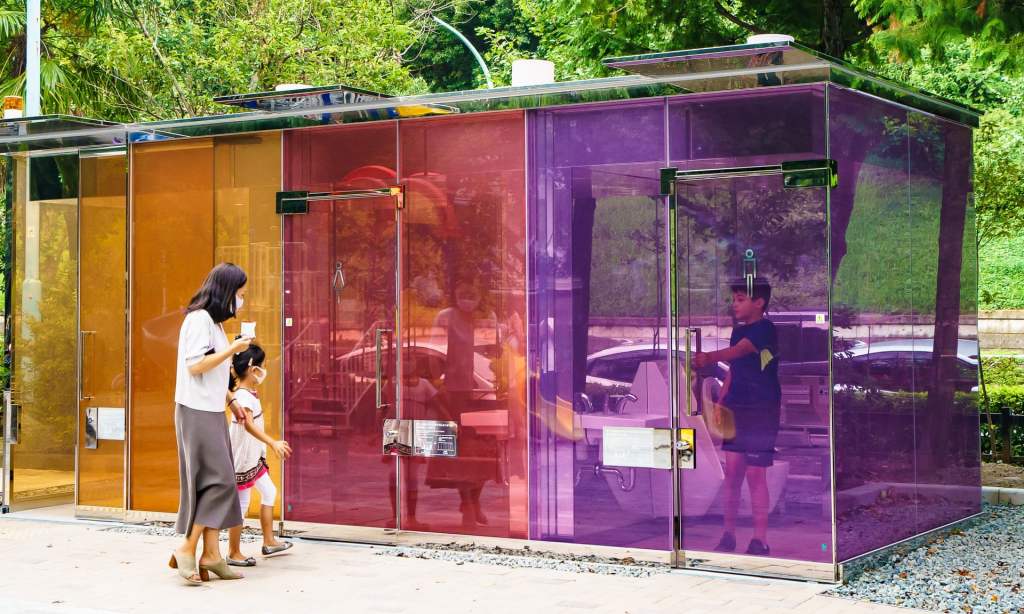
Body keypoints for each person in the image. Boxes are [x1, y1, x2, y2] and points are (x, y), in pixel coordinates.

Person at [169, 263, 252, 584]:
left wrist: (230, 400)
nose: (241, 300)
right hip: (196, 410)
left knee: (215, 482)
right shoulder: (199, 320)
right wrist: (233, 348)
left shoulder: (213, 323)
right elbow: (195, 365)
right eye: (240, 293)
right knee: (219, 482)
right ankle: (188, 547)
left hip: (211, 409)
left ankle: (213, 554)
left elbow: (213, 372)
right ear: (227, 292)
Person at [692, 278, 781, 556]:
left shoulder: (765, 329)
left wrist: (709, 357)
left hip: (761, 410)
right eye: (734, 299)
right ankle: (728, 534)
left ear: (759, 303)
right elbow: (735, 368)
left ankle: (759, 539)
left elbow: (740, 351)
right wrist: (721, 401)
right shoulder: (737, 331)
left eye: (741, 299)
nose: (735, 305)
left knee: (755, 473)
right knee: (732, 473)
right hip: (737, 408)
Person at [225, 343, 294, 566]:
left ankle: (269, 541)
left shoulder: (248, 394)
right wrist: (272, 442)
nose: (265, 370)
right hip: (244, 460)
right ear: (253, 369)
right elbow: (248, 425)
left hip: (253, 458)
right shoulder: (243, 397)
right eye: (262, 366)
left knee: (269, 492)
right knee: (242, 504)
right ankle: (233, 552)